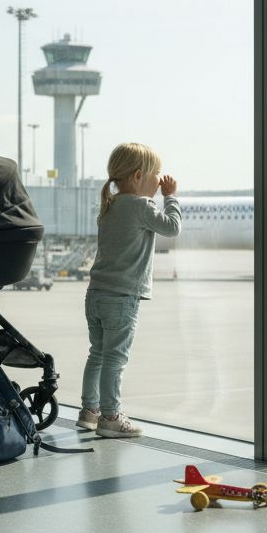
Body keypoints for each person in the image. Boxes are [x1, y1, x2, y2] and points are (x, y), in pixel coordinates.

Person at [76, 143, 181, 438]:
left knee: (97, 354)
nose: (159, 181)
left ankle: (89, 412)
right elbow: (172, 227)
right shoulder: (141, 206)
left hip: (95, 294)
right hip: (122, 298)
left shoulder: (109, 206)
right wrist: (170, 198)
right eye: (156, 175)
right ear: (138, 176)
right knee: (115, 359)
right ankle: (111, 417)